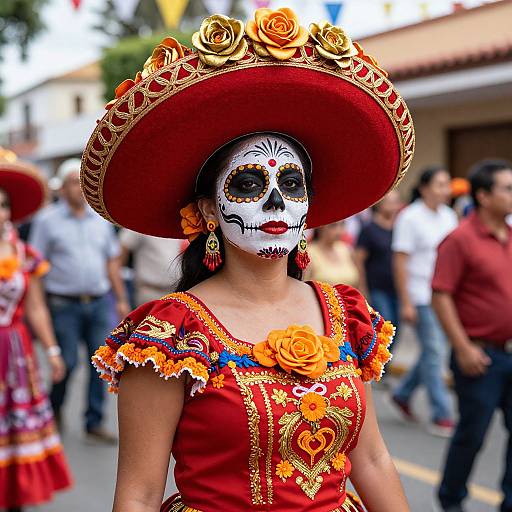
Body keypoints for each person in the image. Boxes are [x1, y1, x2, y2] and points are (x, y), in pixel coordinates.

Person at [81, 8, 415, 511]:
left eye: (292, 184)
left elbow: (371, 462)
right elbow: (140, 493)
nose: (277, 203)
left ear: (309, 205)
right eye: (250, 184)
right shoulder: (170, 336)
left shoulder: (344, 313)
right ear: (210, 209)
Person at [29, 158, 130, 442]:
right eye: (73, 183)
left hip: (98, 301)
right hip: (64, 304)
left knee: (100, 363)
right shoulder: (47, 221)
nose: (79, 189)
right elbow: (36, 264)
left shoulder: (100, 221)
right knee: (68, 362)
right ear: (62, 188)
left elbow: (112, 262)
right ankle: (55, 408)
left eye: (82, 183)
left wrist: (120, 299)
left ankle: (93, 421)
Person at [432, 159, 512, 512]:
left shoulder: (510, 236)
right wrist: (462, 347)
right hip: (480, 356)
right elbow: (440, 294)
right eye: (507, 188)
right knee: (472, 436)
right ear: (483, 196)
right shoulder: (460, 240)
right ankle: (451, 501)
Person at [0, 148, 72, 511]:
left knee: (14, 432)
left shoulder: (24, 253)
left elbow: (36, 306)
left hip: (14, 352)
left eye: (3, 205)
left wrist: (53, 350)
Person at [390, 166, 458, 436]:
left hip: (444, 295)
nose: (446, 190)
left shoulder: (449, 216)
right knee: (436, 352)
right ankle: (442, 413)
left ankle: (403, 394)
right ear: (424, 188)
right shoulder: (410, 217)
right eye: (440, 184)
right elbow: (400, 261)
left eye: (447, 184)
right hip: (419, 294)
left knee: (433, 352)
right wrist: (405, 301)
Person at [355, 190, 402, 328]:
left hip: (396, 285)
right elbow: (358, 259)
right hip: (377, 287)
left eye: (396, 202)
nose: (393, 206)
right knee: (385, 323)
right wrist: (362, 287)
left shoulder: (400, 227)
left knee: (397, 326)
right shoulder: (369, 229)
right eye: (389, 202)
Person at [119, 229, 184, 305]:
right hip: (149, 292)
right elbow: (119, 256)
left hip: (177, 292)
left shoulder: (181, 223)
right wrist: (121, 299)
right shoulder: (141, 223)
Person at [305, 221, 360, 287]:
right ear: (320, 227)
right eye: (333, 225)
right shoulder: (309, 253)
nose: (339, 231)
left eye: (342, 225)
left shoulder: (345, 249)